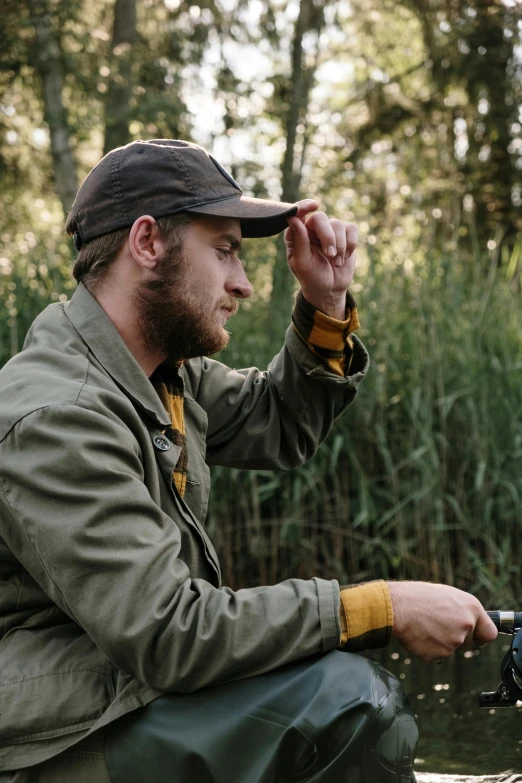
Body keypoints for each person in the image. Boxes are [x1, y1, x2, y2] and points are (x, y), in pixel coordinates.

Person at [0, 139, 497, 783]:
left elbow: (278, 423)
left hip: (117, 691)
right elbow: (171, 634)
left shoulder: (161, 374)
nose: (243, 282)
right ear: (147, 243)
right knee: (345, 703)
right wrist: (384, 607)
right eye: (225, 250)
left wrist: (326, 304)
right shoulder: (58, 414)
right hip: (40, 743)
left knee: (327, 683)